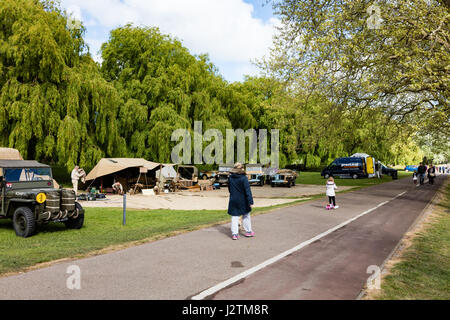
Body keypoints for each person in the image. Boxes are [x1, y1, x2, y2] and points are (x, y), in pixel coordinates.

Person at [227, 162, 254, 240]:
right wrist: (250, 201)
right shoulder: (243, 178)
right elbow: (247, 190)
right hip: (243, 199)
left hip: (233, 199)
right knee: (246, 215)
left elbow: (229, 189)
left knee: (234, 216)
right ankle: (248, 232)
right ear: (241, 168)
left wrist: (233, 194)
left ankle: (235, 234)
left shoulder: (230, 178)